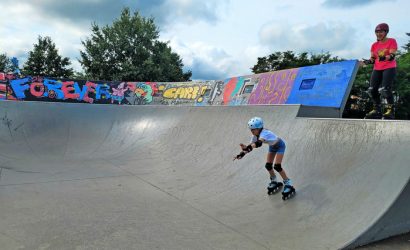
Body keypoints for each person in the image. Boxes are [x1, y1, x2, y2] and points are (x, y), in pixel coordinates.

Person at [234, 117, 295, 199]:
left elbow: (258, 143)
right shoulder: (255, 135)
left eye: (253, 129)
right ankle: (274, 181)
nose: (252, 131)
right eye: (251, 129)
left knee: (277, 166)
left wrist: (247, 148)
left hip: (280, 145)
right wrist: (242, 153)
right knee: (268, 165)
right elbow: (250, 147)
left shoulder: (265, 133)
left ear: (259, 128)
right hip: (272, 147)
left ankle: (288, 184)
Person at [362, 23, 398, 119]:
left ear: (386, 32)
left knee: (385, 89)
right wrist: (368, 61)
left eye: (381, 32)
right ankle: (377, 110)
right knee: (372, 90)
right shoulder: (374, 45)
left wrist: (385, 57)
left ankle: (390, 111)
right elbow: (373, 58)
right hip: (377, 68)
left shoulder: (392, 41)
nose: (379, 34)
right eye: (377, 32)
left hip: (389, 67)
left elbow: (392, 55)